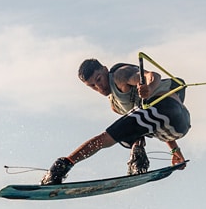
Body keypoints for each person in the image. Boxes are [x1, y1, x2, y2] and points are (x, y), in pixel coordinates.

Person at [41, 58, 191, 185]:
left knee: (106, 138)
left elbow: (153, 75)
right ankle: (138, 159)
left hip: (170, 108)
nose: (99, 87)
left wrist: (149, 89)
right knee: (130, 132)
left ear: (105, 70)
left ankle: (61, 167)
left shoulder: (120, 75)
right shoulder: (115, 105)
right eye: (92, 86)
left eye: (99, 79)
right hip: (176, 127)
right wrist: (175, 151)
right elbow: (147, 122)